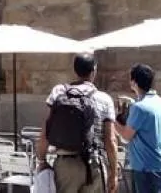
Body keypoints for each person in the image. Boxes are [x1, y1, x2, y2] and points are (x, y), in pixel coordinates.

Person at [37, 53, 119, 193]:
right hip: (94, 164)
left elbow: (45, 133)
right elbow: (110, 141)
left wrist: (42, 160)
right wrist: (114, 173)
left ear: (75, 70)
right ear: (94, 71)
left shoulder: (58, 93)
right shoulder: (105, 100)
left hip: (65, 164)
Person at [114, 64, 161, 193]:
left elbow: (125, 136)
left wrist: (112, 119)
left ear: (134, 82)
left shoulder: (139, 108)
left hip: (146, 170)